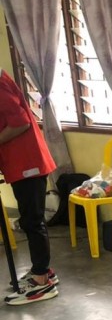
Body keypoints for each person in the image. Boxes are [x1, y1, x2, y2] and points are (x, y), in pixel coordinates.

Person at [0, 67, 59, 306]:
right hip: (21, 163)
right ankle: (41, 270)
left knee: (32, 221)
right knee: (31, 219)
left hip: (27, 164)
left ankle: (41, 279)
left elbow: (20, 123)